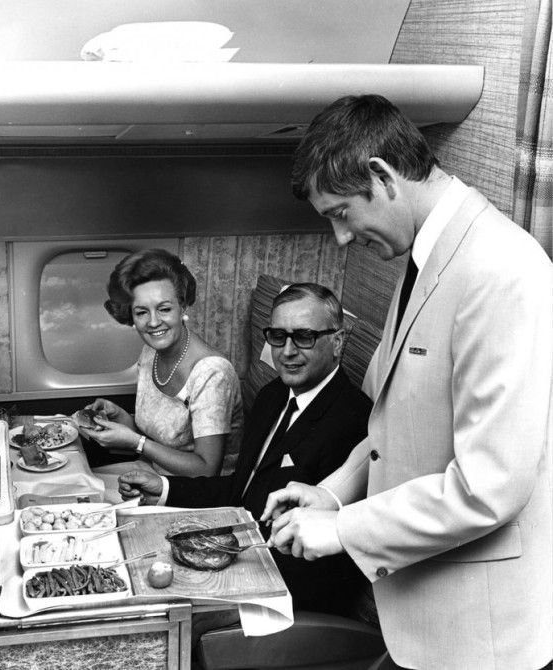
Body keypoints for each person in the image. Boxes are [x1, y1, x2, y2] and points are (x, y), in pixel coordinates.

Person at [261, 95, 553, 670]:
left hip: (480, 633)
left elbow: (489, 486)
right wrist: (332, 491)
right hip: (422, 611)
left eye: (341, 213)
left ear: (382, 176)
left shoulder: (502, 270)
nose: (340, 238)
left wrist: (342, 528)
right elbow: (391, 421)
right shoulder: (426, 260)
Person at [119, 283, 373, 615]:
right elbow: (242, 491)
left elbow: (327, 562)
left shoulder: (353, 420)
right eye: (278, 336)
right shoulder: (273, 396)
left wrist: (214, 580)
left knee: (146, 608)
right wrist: (165, 489)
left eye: (304, 337)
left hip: (287, 594)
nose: (287, 351)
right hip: (240, 554)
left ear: (337, 342)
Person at [79, 248, 243, 486]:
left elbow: (207, 470)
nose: (154, 322)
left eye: (164, 309)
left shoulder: (212, 373)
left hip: (199, 492)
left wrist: (136, 443)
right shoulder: (150, 353)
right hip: (153, 473)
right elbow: (160, 438)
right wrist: (121, 417)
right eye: (141, 312)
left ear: (182, 306)